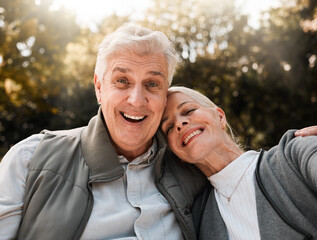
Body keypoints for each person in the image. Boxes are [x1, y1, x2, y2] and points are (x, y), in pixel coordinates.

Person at [0, 24, 207, 240]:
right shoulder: (29, 159)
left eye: (152, 84)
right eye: (122, 81)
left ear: (165, 95)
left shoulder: (193, 168)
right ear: (99, 88)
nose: (136, 100)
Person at [160, 86, 317, 240]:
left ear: (219, 117)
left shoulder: (292, 154)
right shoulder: (197, 220)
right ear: (176, 153)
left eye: (188, 111)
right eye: (169, 128)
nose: (179, 124)